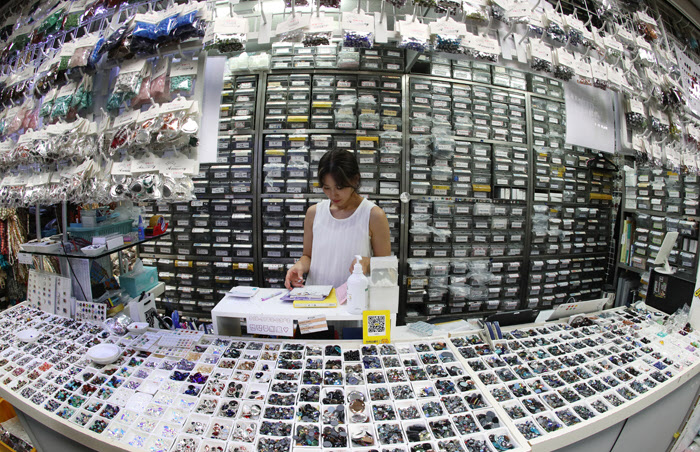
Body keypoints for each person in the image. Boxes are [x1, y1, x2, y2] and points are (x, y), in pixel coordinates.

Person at [284, 149, 391, 290]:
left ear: (355, 179)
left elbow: (386, 265)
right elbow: (308, 256)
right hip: (316, 298)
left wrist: (366, 262)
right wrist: (299, 266)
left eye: (339, 187)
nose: (333, 194)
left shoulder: (373, 215)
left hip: (355, 301)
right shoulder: (314, 213)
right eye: (326, 188)